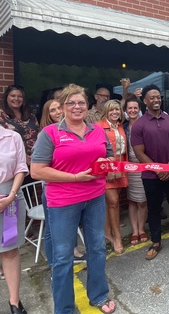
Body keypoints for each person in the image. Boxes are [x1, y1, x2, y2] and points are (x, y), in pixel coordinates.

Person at [31, 84, 116, 314]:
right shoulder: (50, 133)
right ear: (63, 106)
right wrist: (74, 177)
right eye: (71, 103)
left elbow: (107, 156)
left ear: (87, 105)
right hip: (63, 202)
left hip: (95, 198)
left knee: (97, 248)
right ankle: (65, 308)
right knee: (62, 256)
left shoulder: (97, 131)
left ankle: (98, 295)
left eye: (81, 102)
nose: (77, 107)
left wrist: (110, 165)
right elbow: (37, 170)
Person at [131, 84, 169, 260]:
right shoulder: (139, 125)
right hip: (151, 175)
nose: (156, 100)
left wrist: (168, 167)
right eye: (152, 97)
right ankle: (156, 242)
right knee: (153, 209)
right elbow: (139, 152)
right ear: (144, 101)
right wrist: (158, 170)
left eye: (158, 97)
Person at [39, 99, 85, 264]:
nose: (58, 112)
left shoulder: (74, 130)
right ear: (48, 115)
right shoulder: (46, 133)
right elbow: (40, 169)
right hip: (55, 190)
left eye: (60, 107)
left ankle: (74, 251)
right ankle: (54, 264)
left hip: (75, 187)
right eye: (53, 110)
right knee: (52, 229)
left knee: (71, 225)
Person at [0, 125, 29, 314]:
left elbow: (20, 167)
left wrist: (10, 195)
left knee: (9, 250)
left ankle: (14, 301)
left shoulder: (12, 136)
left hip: (9, 197)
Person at [95, 100, 128, 255]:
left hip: (121, 168)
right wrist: (106, 170)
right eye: (111, 110)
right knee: (114, 202)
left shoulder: (120, 126)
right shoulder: (98, 127)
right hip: (108, 171)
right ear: (106, 112)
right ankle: (117, 237)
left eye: (117, 110)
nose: (115, 112)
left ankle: (107, 232)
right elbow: (98, 151)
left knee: (111, 204)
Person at [122, 97, 148, 246]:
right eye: (129, 108)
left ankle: (142, 228)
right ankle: (134, 231)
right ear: (125, 111)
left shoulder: (144, 125)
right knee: (132, 200)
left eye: (135, 108)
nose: (132, 110)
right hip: (129, 167)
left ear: (139, 110)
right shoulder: (122, 127)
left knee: (143, 201)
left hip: (143, 166)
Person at [0, 85, 39, 168]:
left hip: (36, 160)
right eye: (13, 96)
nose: (16, 99)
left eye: (20, 96)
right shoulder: (1, 116)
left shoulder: (31, 115)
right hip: (15, 162)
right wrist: (23, 157)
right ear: (6, 97)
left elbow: (38, 134)